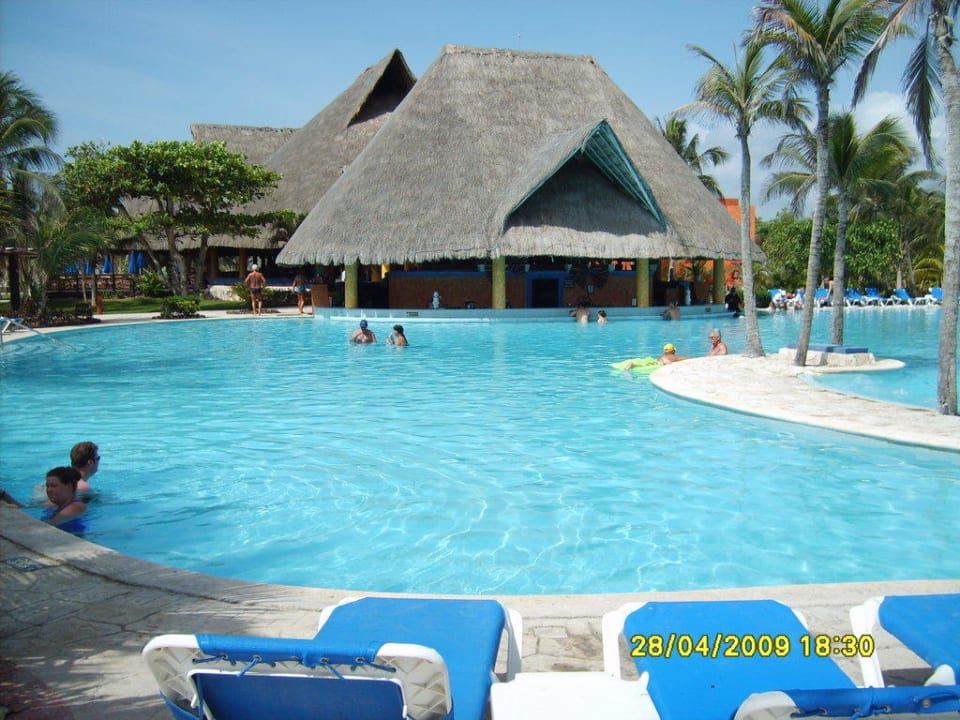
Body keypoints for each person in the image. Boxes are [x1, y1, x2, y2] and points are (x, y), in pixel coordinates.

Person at [0, 467, 88, 532]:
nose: (49, 490)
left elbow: (48, 525)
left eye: (54, 486)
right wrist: (3, 495)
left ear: (69, 487)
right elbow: (23, 508)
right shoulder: (53, 504)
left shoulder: (76, 506)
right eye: (47, 486)